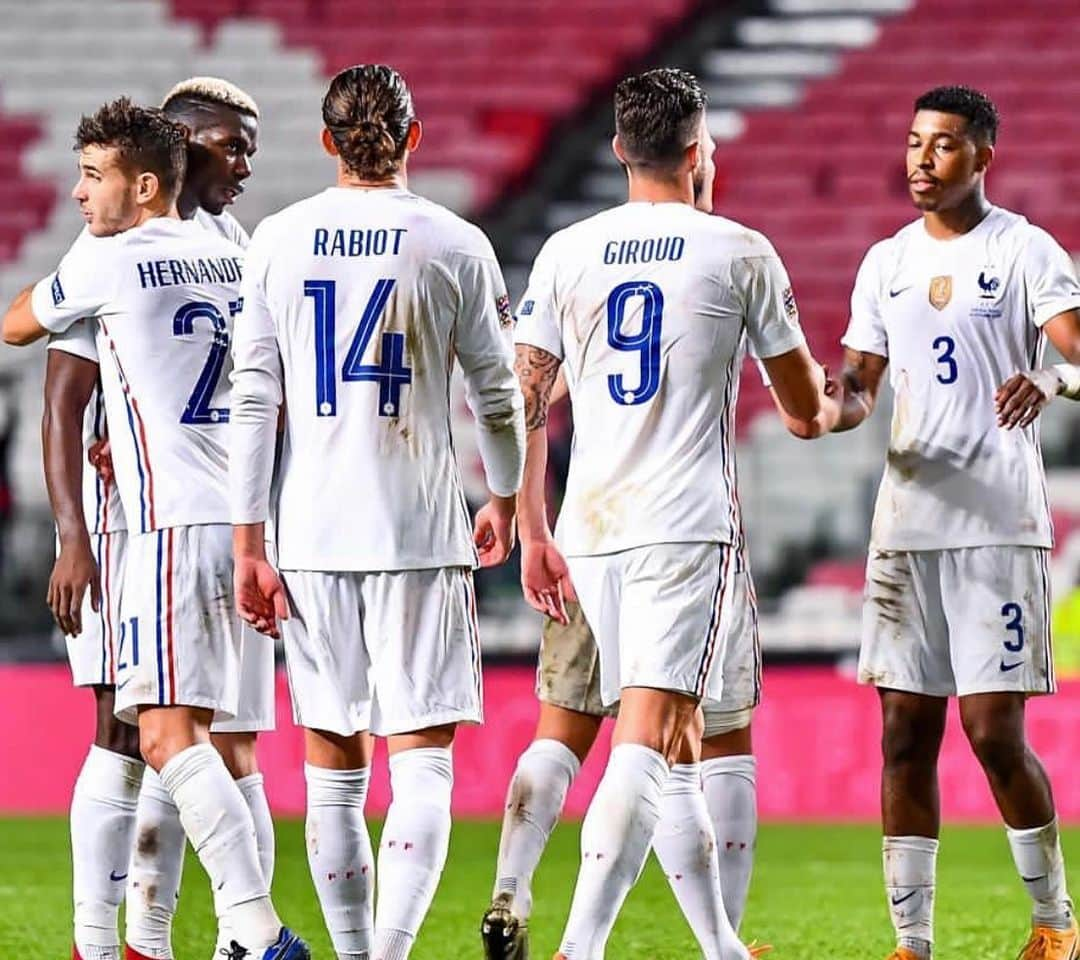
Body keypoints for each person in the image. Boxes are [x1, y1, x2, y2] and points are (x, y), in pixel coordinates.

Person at [511, 67, 833, 960]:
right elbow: (806, 412)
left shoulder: (567, 249)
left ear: (618, 149)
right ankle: (581, 947)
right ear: (698, 152)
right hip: (683, 527)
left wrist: (534, 526)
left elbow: (523, 400)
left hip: (587, 529)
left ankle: (720, 946)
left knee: (669, 743)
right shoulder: (737, 249)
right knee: (654, 743)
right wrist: (836, 401)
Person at [228, 64, 525, 960]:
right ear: (414, 137)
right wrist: (504, 496)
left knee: (333, 769)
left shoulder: (277, 239)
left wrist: (250, 544)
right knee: (421, 760)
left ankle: (355, 953)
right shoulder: (453, 241)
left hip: (311, 533)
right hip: (419, 529)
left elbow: (254, 400)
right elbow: (500, 398)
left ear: (327, 143)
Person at [1, 97, 308, 960]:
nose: (76, 196)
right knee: (228, 744)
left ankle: (253, 930)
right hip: (250, 527)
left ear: (143, 184)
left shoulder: (110, 257)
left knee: (162, 734)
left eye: (92, 178)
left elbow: (18, 324)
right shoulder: (238, 259)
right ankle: (203, 940)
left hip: (165, 529)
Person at [823, 85, 1080, 960]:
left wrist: (1050, 380)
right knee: (903, 736)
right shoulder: (885, 261)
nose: (920, 160)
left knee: (993, 733)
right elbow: (859, 380)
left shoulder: (1024, 251)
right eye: (912, 143)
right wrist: (835, 404)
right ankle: (913, 944)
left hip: (999, 526)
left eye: (942, 145)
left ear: (982, 158)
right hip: (906, 525)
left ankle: (1054, 920)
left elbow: (1079, 346)